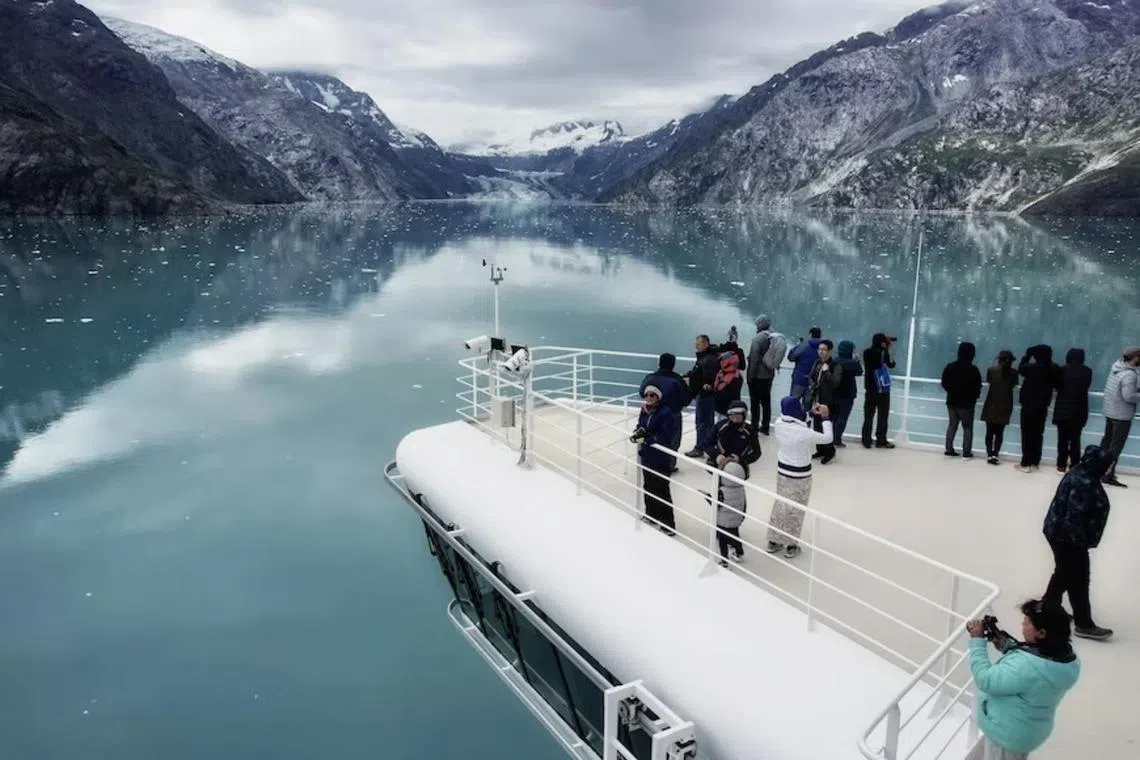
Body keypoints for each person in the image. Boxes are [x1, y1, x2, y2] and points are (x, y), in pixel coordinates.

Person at [964, 599, 1080, 760]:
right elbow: (1033, 659)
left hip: (1006, 736)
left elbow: (986, 679)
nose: (1023, 624)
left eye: (1027, 622)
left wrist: (977, 642)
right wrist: (1004, 643)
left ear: (1041, 633)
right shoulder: (1066, 661)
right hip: (1025, 729)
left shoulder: (1025, 667)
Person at [1042, 444, 1114, 640]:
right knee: (1079, 578)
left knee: (1064, 572)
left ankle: (1047, 607)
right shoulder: (1085, 484)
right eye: (1108, 464)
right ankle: (1083, 623)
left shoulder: (1080, 473)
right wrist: (1079, 545)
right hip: (1068, 538)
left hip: (1059, 533)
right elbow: (1074, 517)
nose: (1110, 468)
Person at [767, 396, 833, 559]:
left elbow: (797, 419)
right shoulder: (803, 432)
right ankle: (791, 544)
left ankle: (774, 541)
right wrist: (825, 418)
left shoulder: (779, 423)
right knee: (796, 510)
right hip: (800, 475)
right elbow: (827, 438)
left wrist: (811, 413)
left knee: (781, 504)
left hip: (783, 471)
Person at [633, 386, 680, 535]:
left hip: (661, 457)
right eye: (646, 395)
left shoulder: (666, 413)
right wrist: (637, 434)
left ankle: (668, 525)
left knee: (661, 489)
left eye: (652, 395)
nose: (649, 398)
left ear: (658, 397)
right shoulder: (644, 410)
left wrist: (647, 438)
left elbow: (666, 436)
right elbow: (640, 426)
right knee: (648, 486)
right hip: (647, 455)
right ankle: (651, 515)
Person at [640, 353, 691, 467]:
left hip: (651, 413)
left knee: (649, 436)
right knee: (671, 441)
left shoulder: (649, 377)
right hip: (672, 414)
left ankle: (649, 461)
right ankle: (669, 466)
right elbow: (686, 400)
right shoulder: (677, 380)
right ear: (673, 365)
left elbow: (642, 392)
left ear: (659, 363)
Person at [1099, 346, 1140, 488]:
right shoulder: (1130, 375)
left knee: (1106, 443)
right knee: (1115, 447)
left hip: (1111, 411)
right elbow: (1128, 396)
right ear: (1135, 358)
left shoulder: (1117, 368)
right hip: (1122, 415)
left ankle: (1099, 470)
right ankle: (1108, 475)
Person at [1016, 345, 1058, 473]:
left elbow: (1020, 368)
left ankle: (1026, 462)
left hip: (1028, 404)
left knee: (1026, 433)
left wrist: (1027, 356)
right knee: (1038, 433)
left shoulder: (1030, 368)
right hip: (1043, 405)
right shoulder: (1053, 369)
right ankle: (1035, 461)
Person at [1052, 348, 1092, 474]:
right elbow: (1086, 386)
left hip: (1062, 409)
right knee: (1075, 439)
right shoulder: (1087, 371)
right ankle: (1074, 465)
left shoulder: (1062, 370)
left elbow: (1056, 386)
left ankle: (1061, 465)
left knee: (1062, 439)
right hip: (1079, 410)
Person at [940, 341, 983, 458]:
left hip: (952, 401)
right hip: (967, 403)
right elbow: (977, 386)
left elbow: (944, 382)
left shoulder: (950, 366)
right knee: (967, 428)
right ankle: (966, 452)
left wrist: (951, 391)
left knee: (952, 425)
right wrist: (974, 396)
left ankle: (949, 449)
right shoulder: (973, 370)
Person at [683, 335, 720, 460]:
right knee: (706, 422)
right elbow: (700, 373)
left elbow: (708, 378)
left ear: (705, 344)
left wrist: (699, 384)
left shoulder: (708, 359)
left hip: (705, 396)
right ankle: (708, 447)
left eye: (698, 344)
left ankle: (700, 448)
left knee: (702, 423)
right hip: (704, 395)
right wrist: (690, 374)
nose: (696, 346)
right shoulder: (706, 357)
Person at [746, 316, 785, 436]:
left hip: (757, 376)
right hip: (769, 376)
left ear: (760, 325)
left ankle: (754, 426)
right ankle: (765, 427)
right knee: (766, 403)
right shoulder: (774, 336)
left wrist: (750, 377)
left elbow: (754, 359)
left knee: (755, 403)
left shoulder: (757, 339)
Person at [807, 339, 841, 464]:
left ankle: (830, 451)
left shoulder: (835, 366)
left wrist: (826, 371)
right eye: (819, 349)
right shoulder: (817, 362)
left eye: (824, 350)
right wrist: (812, 385)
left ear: (829, 351)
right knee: (816, 426)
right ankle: (820, 450)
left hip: (829, 401)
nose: (821, 352)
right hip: (817, 399)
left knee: (826, 426)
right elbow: (810, 376)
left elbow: (835, 383)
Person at [982, 350, 1019, 465]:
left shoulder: (991, 370)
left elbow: (989, 381)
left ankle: (989, 454)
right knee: (999, 432)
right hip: (1005, 403)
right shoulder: (1014, 373)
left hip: (991, 402)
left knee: (989, 431)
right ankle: (995, 454)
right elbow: (1014, 385)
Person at [862, 333, 897, 449]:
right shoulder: (883, 352)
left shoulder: (866, 352)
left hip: (869, 388)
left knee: (868, 416)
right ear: (882, 342)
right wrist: (887, 349)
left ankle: (866, 440)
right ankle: (881, 440)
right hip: (882, 389)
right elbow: (891, 364)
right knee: (882, 416)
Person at [709, 461, 747, 567]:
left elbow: (716, 505)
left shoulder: (722, 491)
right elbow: (744, 503)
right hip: (736, 518)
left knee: (722, 540)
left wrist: (708, 498)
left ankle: (724, 560)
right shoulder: (741, 489)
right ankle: (739, 551)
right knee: (735, 535)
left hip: (723, 520)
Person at [713, 400, 760, 474]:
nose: (734, 420)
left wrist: (741, 460)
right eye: (732, 417)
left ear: (744, 416)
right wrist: (716, 455)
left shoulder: (750, 431)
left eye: (738, 418)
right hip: (720, 462)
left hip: (739, 465)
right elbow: (707, 443)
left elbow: (757, 452)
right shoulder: (720, 426)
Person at [832, 340, 863, 448]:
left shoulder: (834, 361)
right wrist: (857, 360)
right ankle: (837, 439)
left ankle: (831, 438)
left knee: (834, 417)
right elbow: (860, 372)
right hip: (848, 394)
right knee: (843, 417)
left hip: (834, 393)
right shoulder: (852, 363)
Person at [787, 327, 822, 402]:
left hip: (799, 379)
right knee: (808, 406)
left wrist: (798, 345)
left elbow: (791, 357)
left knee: (793, 403)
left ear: (810, 334)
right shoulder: (824, 347)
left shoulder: (804, 345)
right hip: (814, 383)